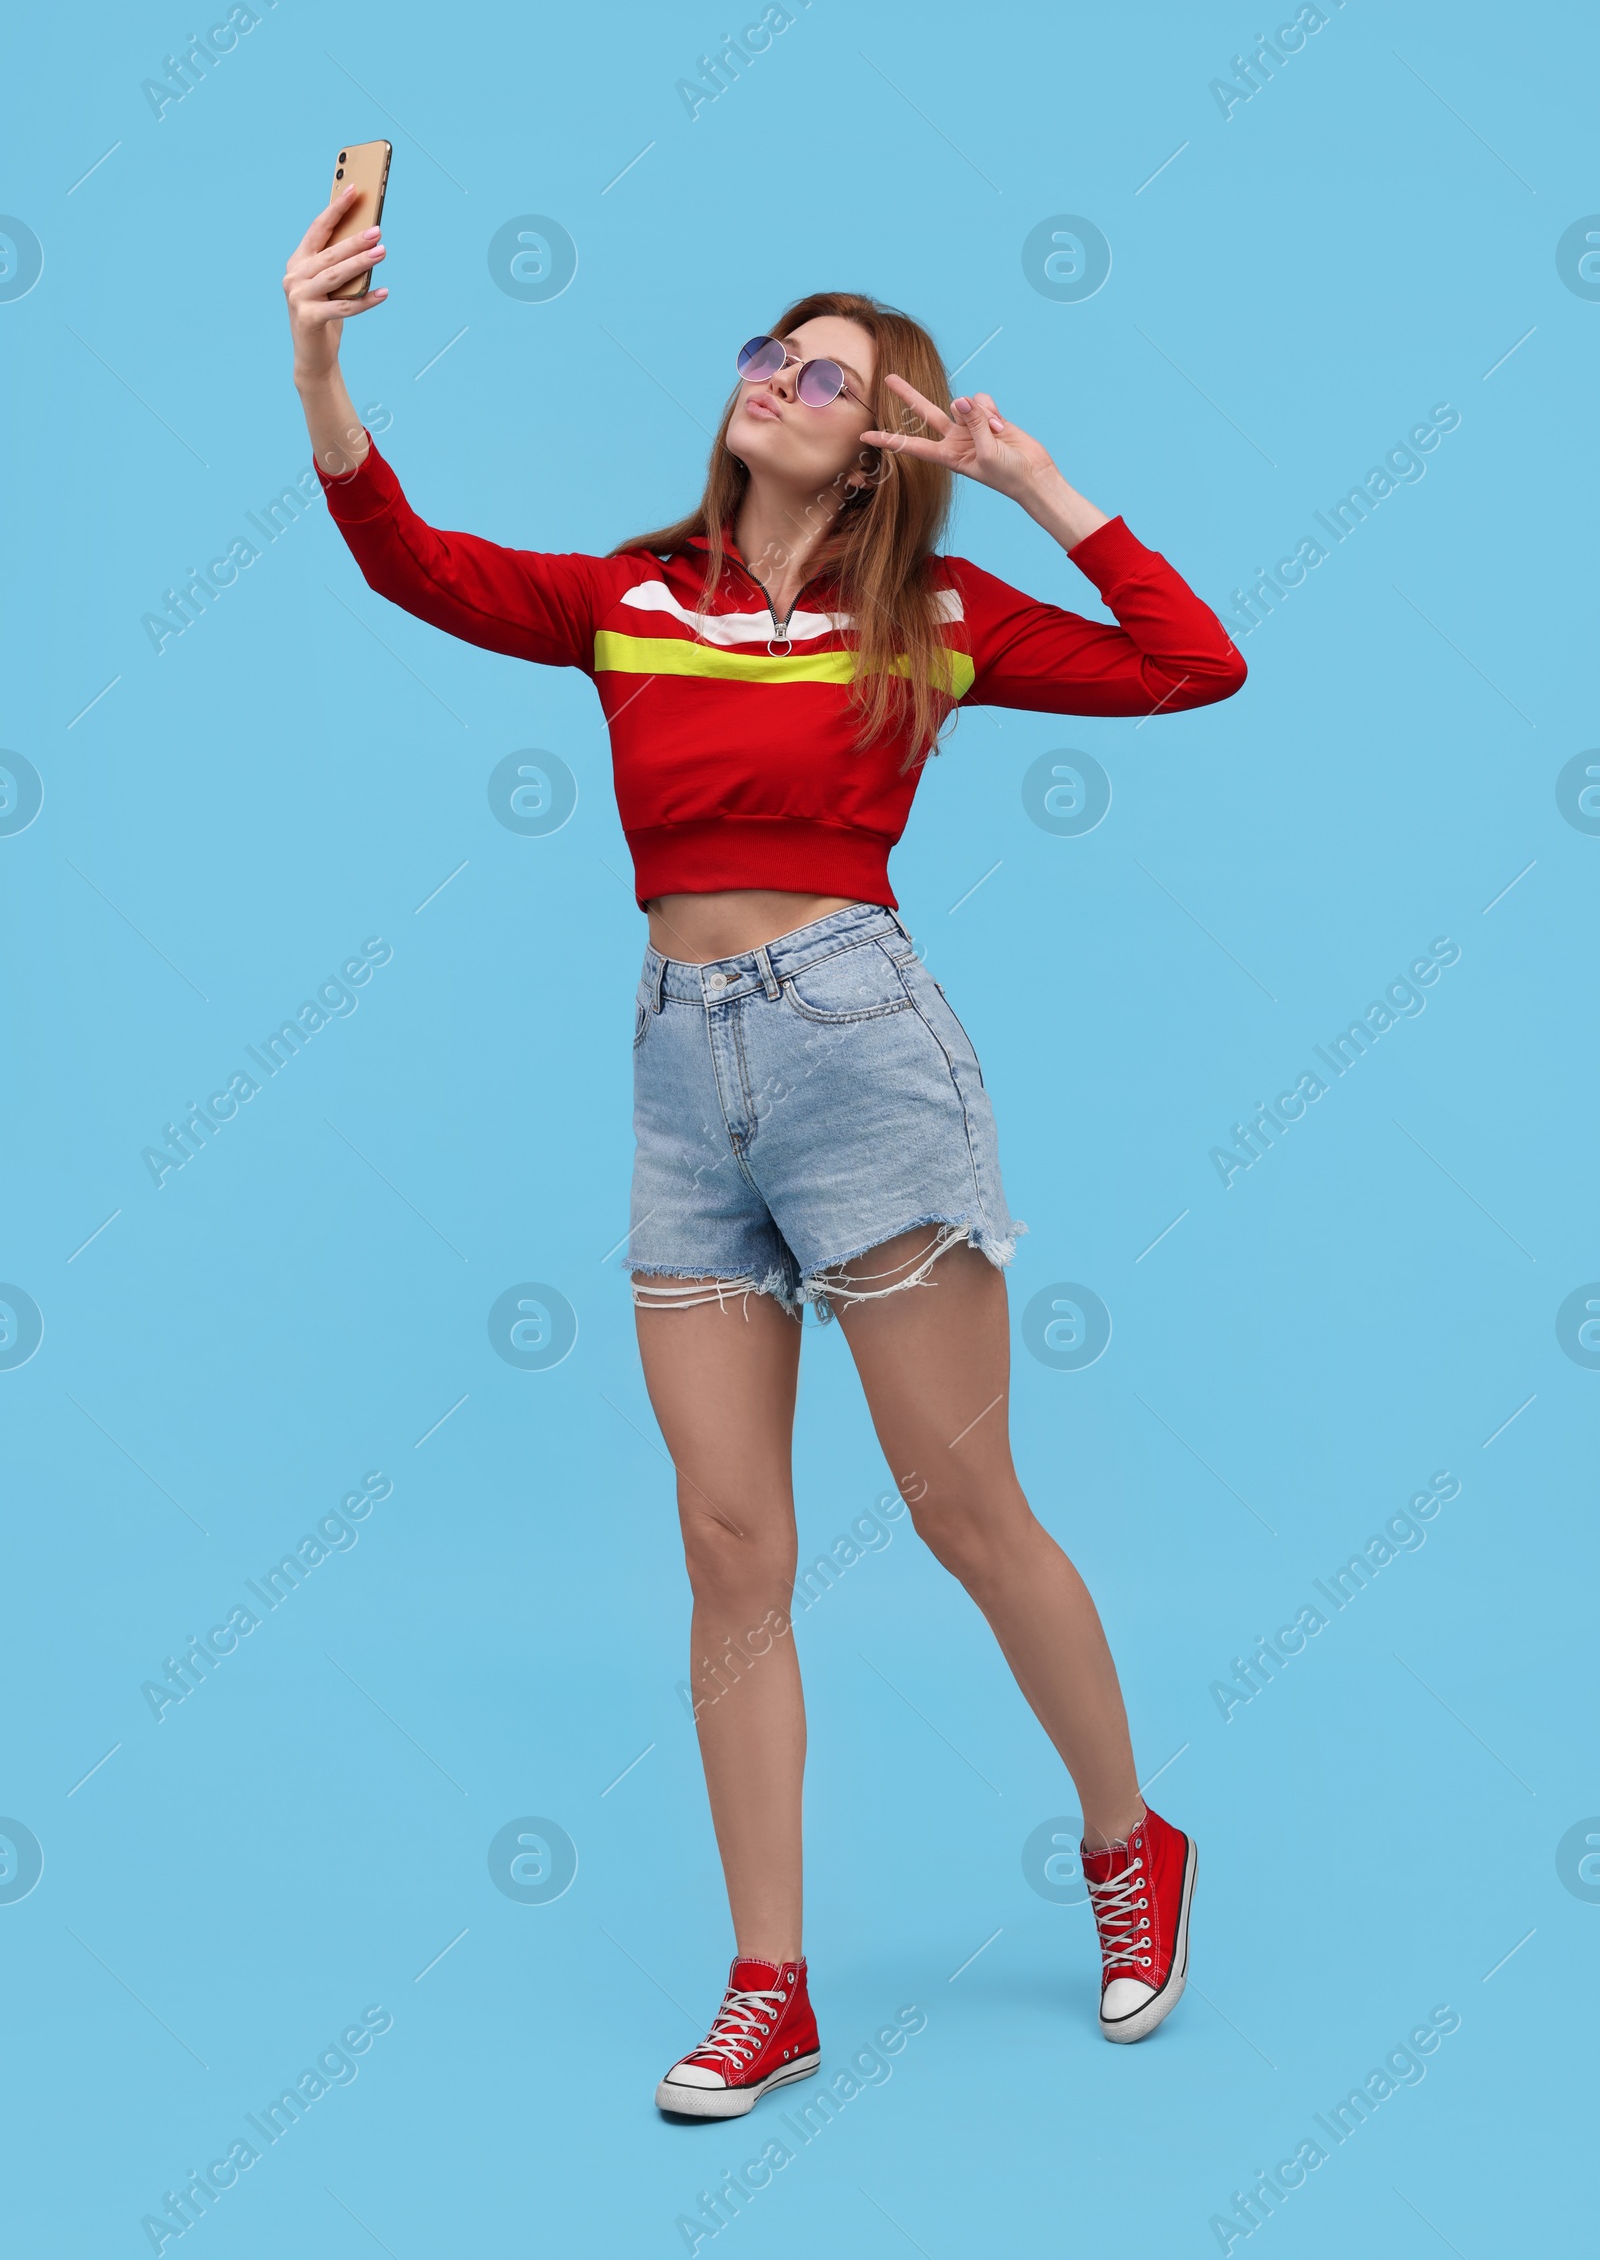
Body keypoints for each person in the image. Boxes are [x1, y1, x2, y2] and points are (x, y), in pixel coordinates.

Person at [284, 185, 1245, 2119]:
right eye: (771, 353)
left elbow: (1190, 662)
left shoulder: (941, 622)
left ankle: (1133, 1848)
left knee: (967, 1513)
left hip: (859, 1054)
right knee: (731, 1549)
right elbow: (408, 561)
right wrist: (318, 354)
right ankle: (770, 1985)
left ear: (887, 441)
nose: (782, 383)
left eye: (833, 374)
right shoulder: (632, 600)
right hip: (677, 1073)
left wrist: (1036, 477)